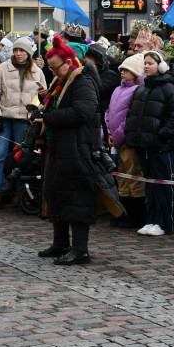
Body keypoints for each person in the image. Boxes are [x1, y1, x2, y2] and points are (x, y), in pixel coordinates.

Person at [38, 35, 120, 264]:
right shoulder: (62, 81)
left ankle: (80, 249)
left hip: (79, 147)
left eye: (55, 68)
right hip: (61, 147)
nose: (53, 73)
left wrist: (49, 118)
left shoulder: (82, 80)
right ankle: (60, 242)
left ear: (68, 62)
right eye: (51, 69)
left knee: (77, 198)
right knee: (57, 195)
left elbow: (83, 112)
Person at [124, 49, 174, 236]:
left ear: (161, 65)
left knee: (163, 185)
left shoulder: (169, 88)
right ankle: (151, 219)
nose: (146, 66)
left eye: (150, 63)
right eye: (145, 63)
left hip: (160, 146)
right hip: (144, 146)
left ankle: (163, 222)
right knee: (149, 185)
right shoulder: (141, 88)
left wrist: (161, 134)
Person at [0, 37, 45, 208]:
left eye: (23, 50)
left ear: (29, 53)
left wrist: (35, 109)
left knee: (20, 156)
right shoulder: (3, 68)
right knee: (0, 157)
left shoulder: (36, 71)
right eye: (16, 50)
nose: (18, 54)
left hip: (24, 120)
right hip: (3, 117)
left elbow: (42, 97)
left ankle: (19, 193)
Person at [106, 53, 147, 228]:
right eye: (121, 69)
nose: (122, 72)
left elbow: (130, 117)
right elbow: (109, 112)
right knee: (121, 176)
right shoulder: (117, 89)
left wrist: (117, 135)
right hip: (116, 141)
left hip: (127, 141)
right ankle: (123, 211)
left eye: (127, 70)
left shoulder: (137, 90)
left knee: (133, 175)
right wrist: (109, 131)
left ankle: (136, 214)